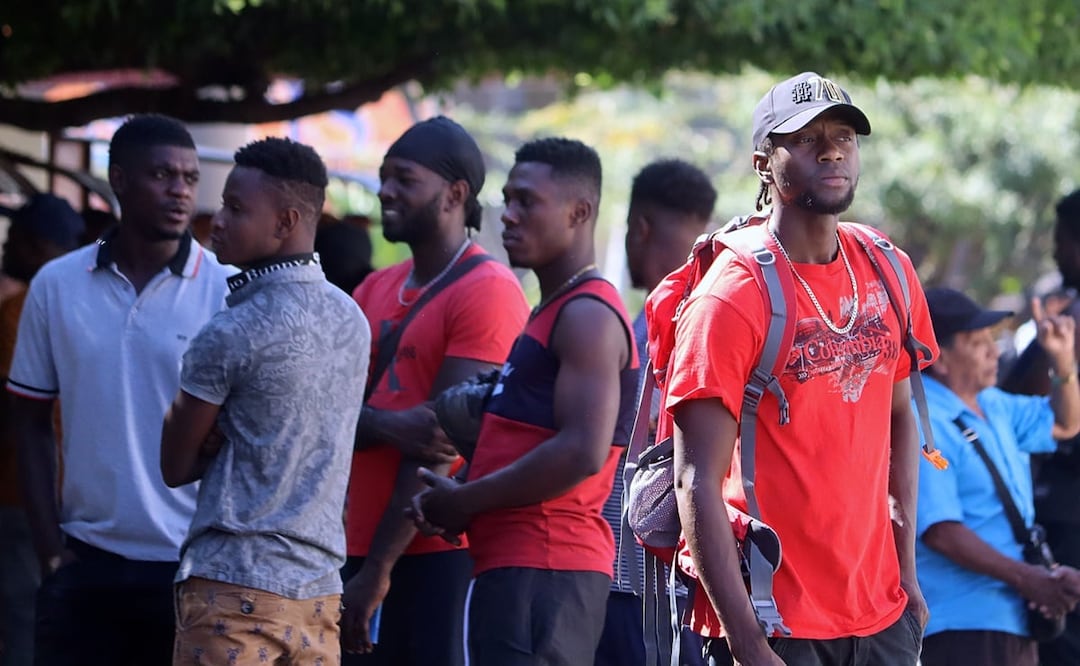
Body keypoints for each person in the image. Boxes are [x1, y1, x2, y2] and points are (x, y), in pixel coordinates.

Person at [668, 72, 937, 666]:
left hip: (881, 617)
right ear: (765, 163)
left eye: (843, 135)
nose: (832, 149)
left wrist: (907, 577)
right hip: (774, 621)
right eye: (808, 138)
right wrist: (747, 642)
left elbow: (900, 421)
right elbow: (695, 483)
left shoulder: (889, 269)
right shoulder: (732, 295)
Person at [6, 114, 233, 666]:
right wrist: (49, 551)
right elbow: (28, 419)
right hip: (85, 563)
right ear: (120, 180)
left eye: (189, 177)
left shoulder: (225, 291)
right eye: (162, 174)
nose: (179, 190)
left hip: (194, 568)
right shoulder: (56, 285)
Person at [412, 137, 639, 666]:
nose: (508, 216)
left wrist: (466, 502)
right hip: (522, 569)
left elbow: (582, 450)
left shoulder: (587, 315)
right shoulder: (552, 311)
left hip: (545, 567)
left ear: (579, 212)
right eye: (506, 200)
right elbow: (526, 442)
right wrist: (459, 491)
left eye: (526, 201)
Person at [161, 137, 370, 665]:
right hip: (319, 596)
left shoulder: (231, 330)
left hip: (231, 590)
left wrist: (216, 437)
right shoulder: (353, 321)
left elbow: (174, 463)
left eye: (236, 208)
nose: (218, 220)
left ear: (286, 222)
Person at [340, 116, 529, 665]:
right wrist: (384, 424)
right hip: (348, 542)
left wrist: (379, 569)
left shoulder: (488, 291)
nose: (385, 190)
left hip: (428, 555)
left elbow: (440, 443)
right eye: (383, 176)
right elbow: (325, 411)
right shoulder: (375, 285)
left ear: (454, 194)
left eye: (403, 178)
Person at [915, 287, 1080, 666]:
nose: (994, 351)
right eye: (977, 343)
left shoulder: (994, 404)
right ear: (939, 359)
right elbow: (941, 531)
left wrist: (1063, 362)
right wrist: (1029, 578)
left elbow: (1065, 423)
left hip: (1014, 619)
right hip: (964, 625)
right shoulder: (924, 424)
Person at [596, 159, 715, 666]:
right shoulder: (724, 315)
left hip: (636, 577)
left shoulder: (654, 329)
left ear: (639, 227)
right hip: (698, 580)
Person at [0, 194, 85, 666]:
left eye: (13, 240)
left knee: (22, 617)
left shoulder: (20, 310)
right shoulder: (89, 301)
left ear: (36, 246)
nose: (6, 249)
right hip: (73, 491)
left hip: (20, 493)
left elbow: (12, 412)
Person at [1000, 188, 1080, 665]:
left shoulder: (1070, 321)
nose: (1055, 251)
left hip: (1068, 513)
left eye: (1063, 239)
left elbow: (1010, 397)